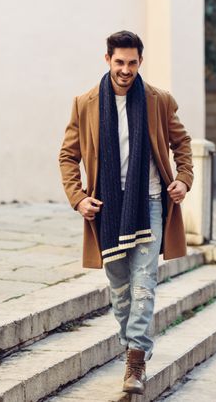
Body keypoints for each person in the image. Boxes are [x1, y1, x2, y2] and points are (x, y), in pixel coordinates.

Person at [58, 30, 194, 395]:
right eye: (119, 62)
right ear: (107, 60)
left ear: (140, 62)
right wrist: (78, 197)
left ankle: (136, 358)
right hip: (107, 208)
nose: (126, 70)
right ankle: (129, 344)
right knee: (120, 290)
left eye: (132, 62)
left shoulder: (158, 100)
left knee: (143, 284)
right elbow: (68, 156)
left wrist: (183, 178)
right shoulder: (85, 103)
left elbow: (182, 143)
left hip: (149, 201)